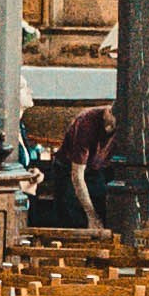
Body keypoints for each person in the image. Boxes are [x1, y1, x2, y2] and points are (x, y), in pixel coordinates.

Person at [30, 99, 113, 233]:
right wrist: (91, 216)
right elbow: (77, 176)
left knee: (102, 209)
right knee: (72, 219)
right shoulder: (87, 122)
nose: (110, 129)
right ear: (108, 112)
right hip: (67, 170)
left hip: (96, 169)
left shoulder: (124, 123)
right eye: (109, 124)